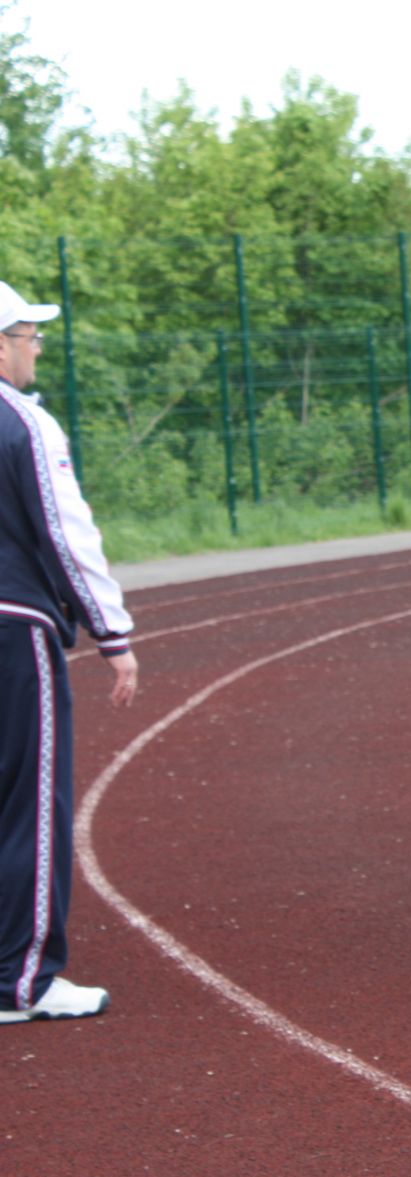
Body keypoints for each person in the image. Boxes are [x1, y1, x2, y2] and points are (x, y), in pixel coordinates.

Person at [0, 280, 138, 1024]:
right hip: (11, 630)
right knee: (28, 804)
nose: (36, 348)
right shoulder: (24, 423)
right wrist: (112, 634)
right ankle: (21, 983)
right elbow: (66, 534)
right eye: (28, 335)